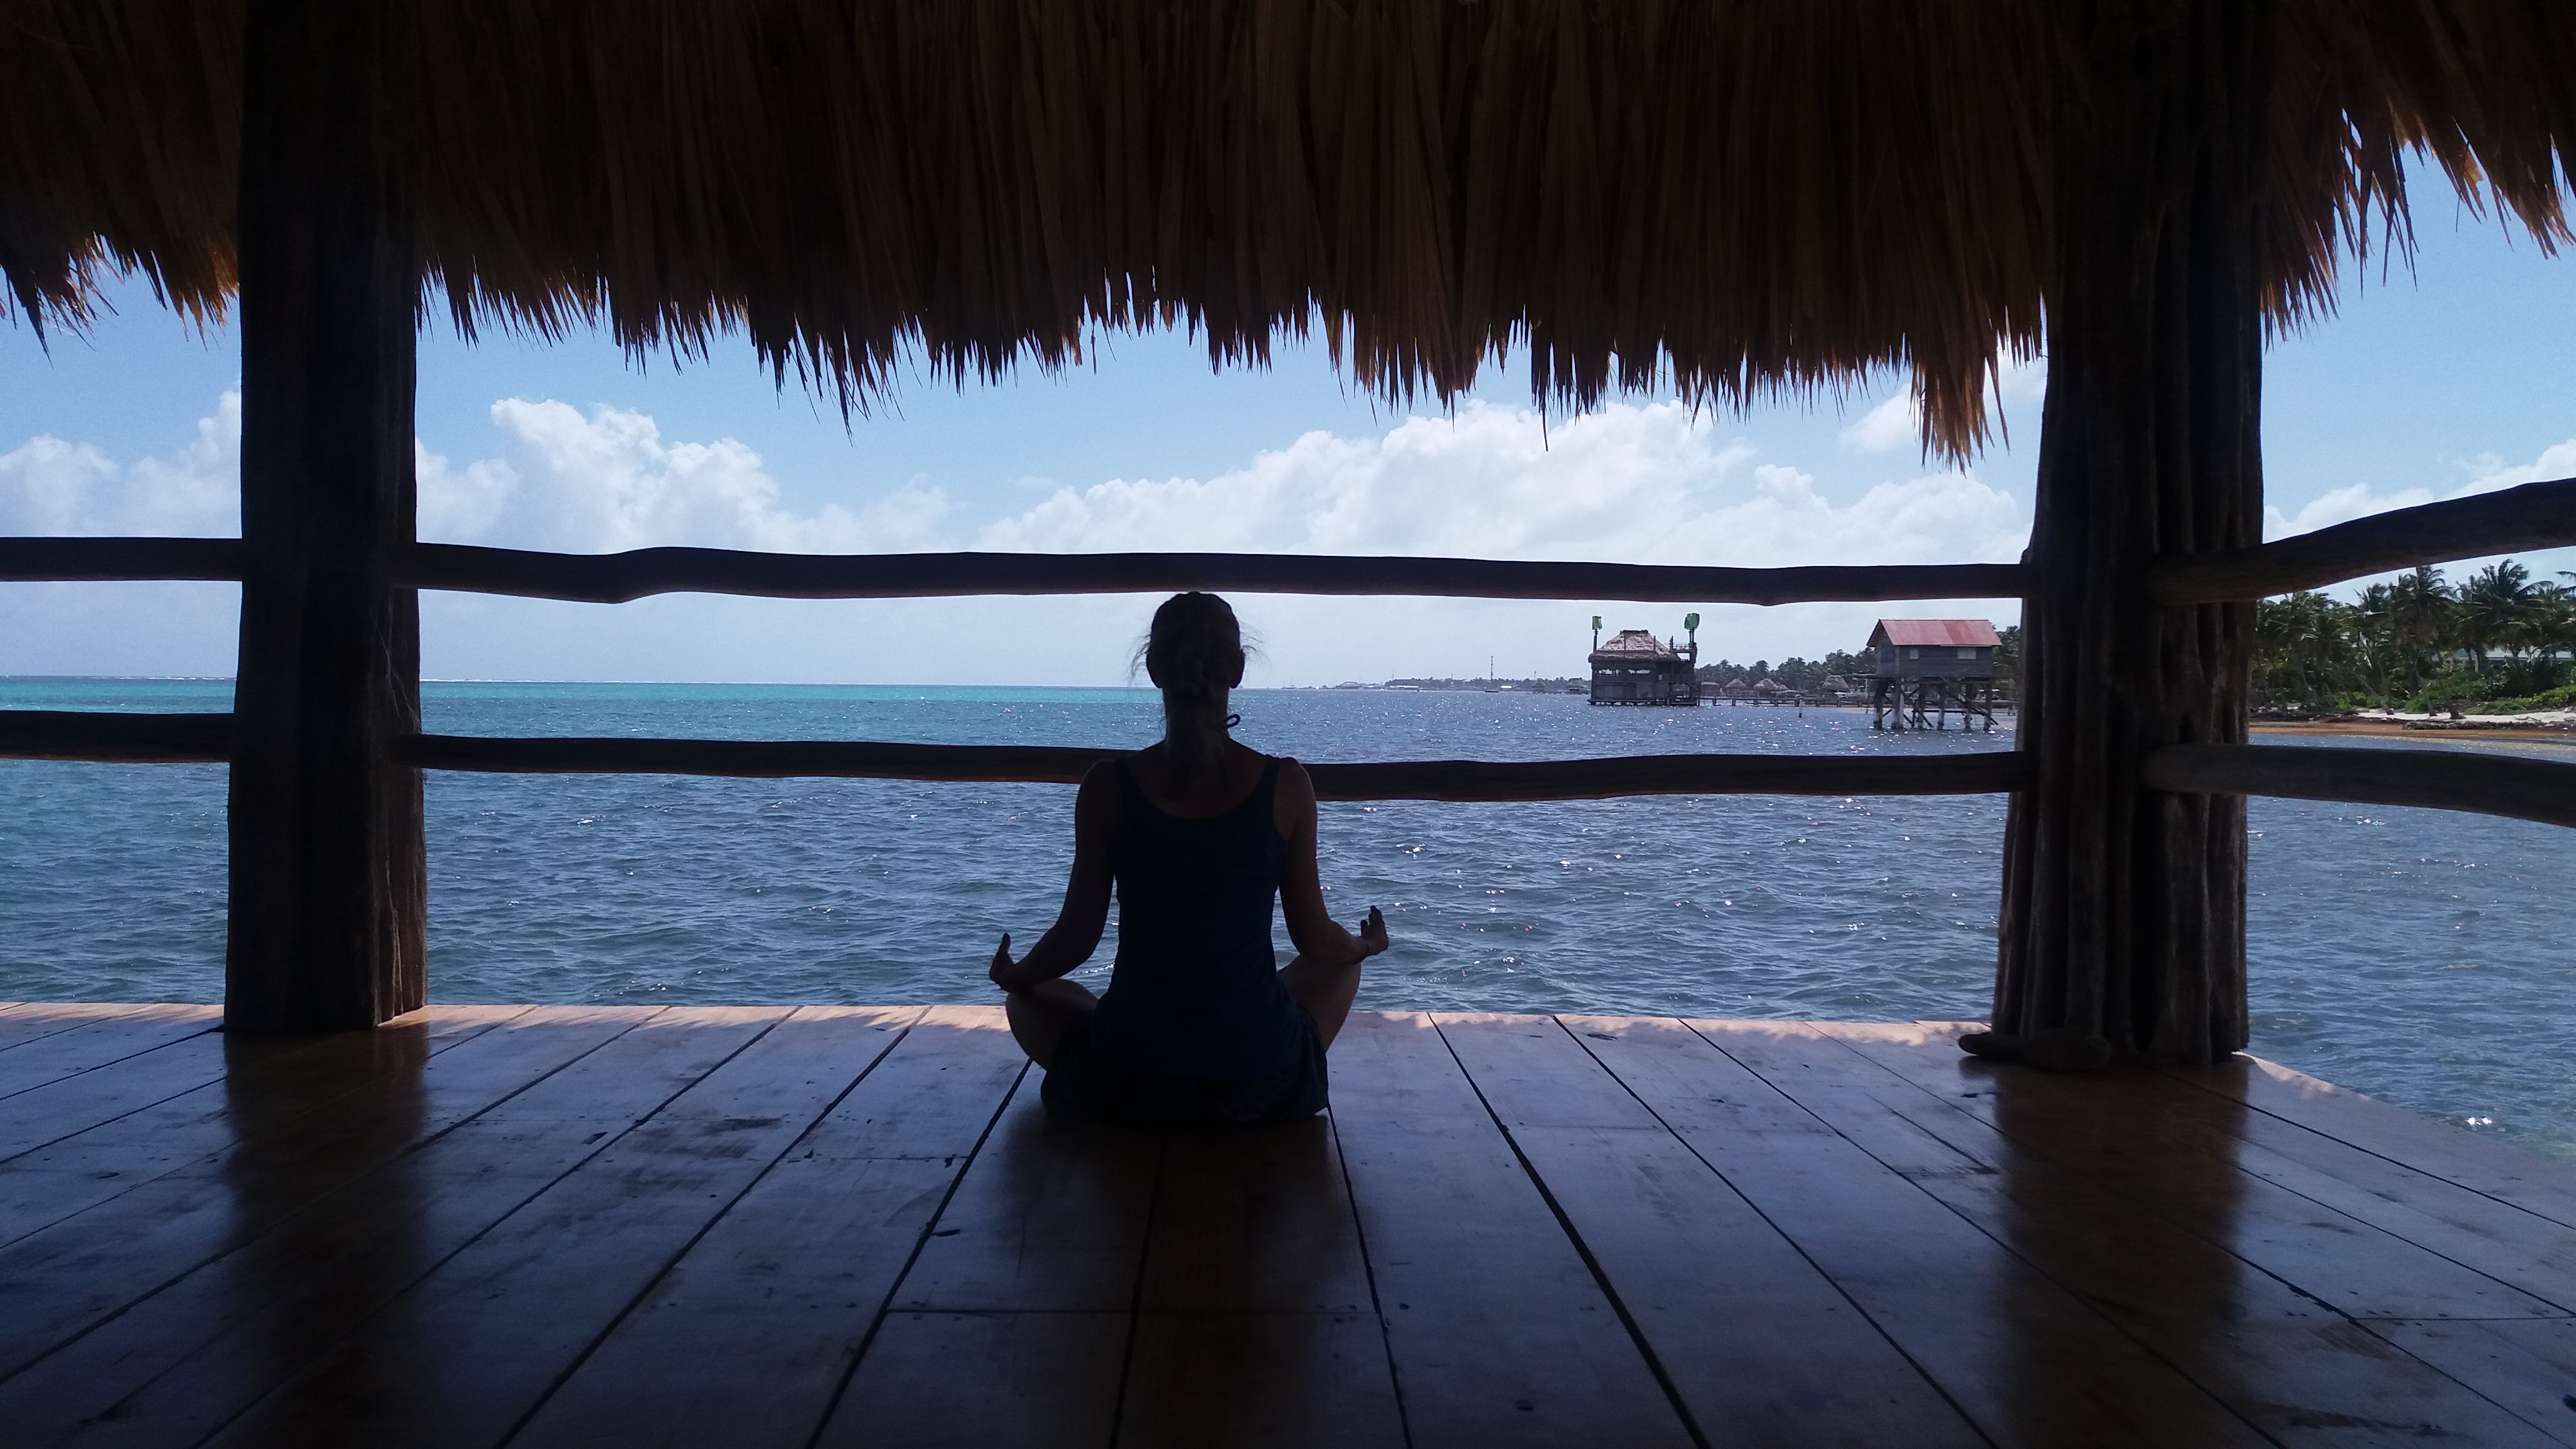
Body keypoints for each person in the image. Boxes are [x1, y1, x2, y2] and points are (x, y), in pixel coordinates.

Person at [989, 592, 1389, 1125]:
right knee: (1341, 965)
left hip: (1126, 1082)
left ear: (1154, 669)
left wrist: (1016, 976)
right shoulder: (1287, 786)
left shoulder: (1107, 787)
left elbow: (1076, 939)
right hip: (1261, 1083)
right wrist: (1366, 945)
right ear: (1238, 670)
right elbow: (1315, 941)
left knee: (1027, 999)